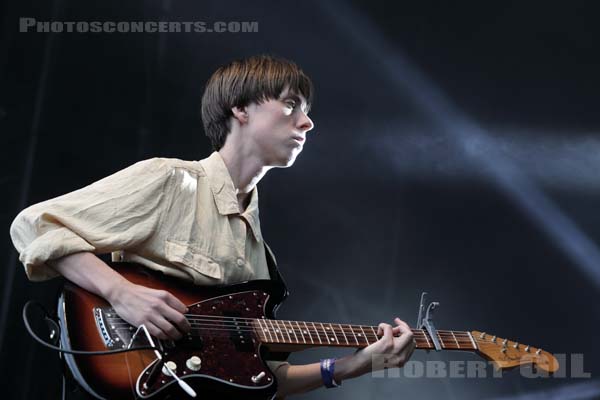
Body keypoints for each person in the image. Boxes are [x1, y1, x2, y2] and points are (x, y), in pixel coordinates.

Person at [10, 54, 415, 398]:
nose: (307, 123)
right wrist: (121, 292)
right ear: (241, 109)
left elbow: (259, 378)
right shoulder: (172, 180)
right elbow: (34, 225)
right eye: (291, 104)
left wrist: (352, 366)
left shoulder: (261, 257)